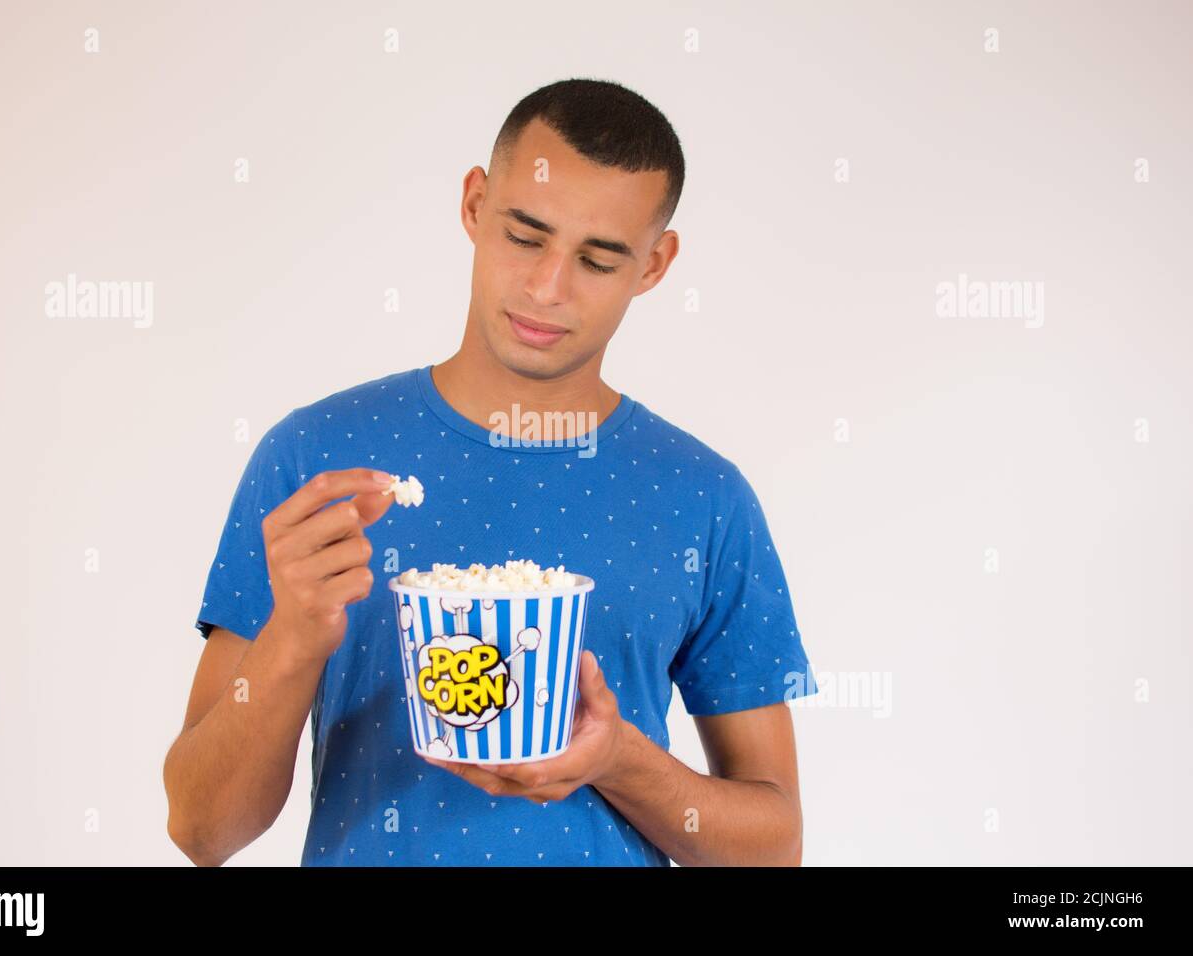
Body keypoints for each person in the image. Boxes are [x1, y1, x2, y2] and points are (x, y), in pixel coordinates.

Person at [163, 77, 819, 867]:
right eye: (526, 235)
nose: (547, 288)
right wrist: (296, 637)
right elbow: (200, 830)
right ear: (475, 203)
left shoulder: (708, 499)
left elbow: (774, 848)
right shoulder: (313, 460)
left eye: (598, 260)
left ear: (654, 265)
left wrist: (620, 760)